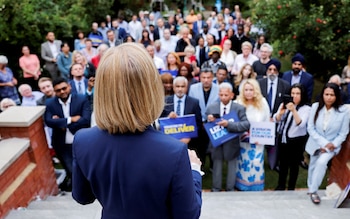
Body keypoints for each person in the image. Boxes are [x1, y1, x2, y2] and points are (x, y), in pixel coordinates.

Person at [72, 43, 202, 218]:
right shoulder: (173, 151)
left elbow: (82, 196)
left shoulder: (83, 140)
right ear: (150, 90)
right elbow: (188, 215)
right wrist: (194, 170)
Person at [306, 83, 349, 204]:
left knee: (321, 162)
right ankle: (311, 188)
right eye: (326, 94)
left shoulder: (343, 111)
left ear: (336, 96)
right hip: (316, 143)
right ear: (322, 95)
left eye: (332, 95)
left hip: (332, 145)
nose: (329, 97)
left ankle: (313, 191)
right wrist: (323, 143)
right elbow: (310, 128)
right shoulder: (315, 107)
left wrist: (331, 145)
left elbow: (343, 133)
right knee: (313, 165)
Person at [45, 77, 91, 191]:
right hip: (61, 143)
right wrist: (70, 120)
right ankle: (81, 190)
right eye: (58, 90)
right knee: (71, 169)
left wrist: (60, 123)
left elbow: (86, 119)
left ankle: (90, 187)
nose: (62, 92)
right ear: (55, 92)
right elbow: (49, 121)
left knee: (85, 166)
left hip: (80, 140)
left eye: (64, 88)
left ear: (69, 86)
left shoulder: (81, 99)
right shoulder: (50, 103)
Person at [206, 82, 250, 191]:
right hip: (216, 142)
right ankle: (216, 188)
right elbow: (205, 124)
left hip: (232, 142)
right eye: (221, 95)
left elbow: (246, 124)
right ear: (218, 95)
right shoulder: (211, 107)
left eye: (226, 95)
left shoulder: (239, 108)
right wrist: (209, 120)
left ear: (232, 95)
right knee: (217, 166)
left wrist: (229, 125)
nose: (223, 97)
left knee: (232, 166)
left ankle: (230, 189)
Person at [274, 83, 311, 191]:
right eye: (293, 93)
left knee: (294, 165)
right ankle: (281, 185)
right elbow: (276, 119)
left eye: (297, 93)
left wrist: (294, 110)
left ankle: (291, 187)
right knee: (283, 163)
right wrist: (281, 113)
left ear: (302, 95)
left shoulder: (306, 108)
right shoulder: (285, 104)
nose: (295, 96)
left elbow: (301, 123)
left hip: (296, 140)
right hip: (283, 137)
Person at [235, 79, 270, 191]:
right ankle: (242, 185)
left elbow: (267, 120)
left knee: (256, 162)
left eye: (251, 89)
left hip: (258, 139)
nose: (248, 92)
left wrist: (264, 136)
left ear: (256, 90)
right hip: (243, 140)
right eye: (246, 90)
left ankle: (256, 186)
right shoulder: (238, 103)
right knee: (243, 163)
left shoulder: (263, 102)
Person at [258, 58, 290, 170]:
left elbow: (285, 103)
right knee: (260, 142)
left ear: (278, 71)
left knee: (275, 143)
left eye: (274, 70)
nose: (272, 72)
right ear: (266, 71)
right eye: (270, 69)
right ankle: (258, 161)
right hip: (261, 119)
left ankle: (274, 163)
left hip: (277, 119)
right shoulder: (259, 83)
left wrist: (276, 117)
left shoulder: (285, 85)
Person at [161, 76, 202, 148]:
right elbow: (159, 121)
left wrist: (189, 136)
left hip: (189, 141)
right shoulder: (165, 101)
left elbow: (198, 123)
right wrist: (168, 118)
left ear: (186, 88)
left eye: (182, 86)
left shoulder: (194, 102)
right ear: (173, 87)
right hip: (169, 139)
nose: (180, 89)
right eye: (177, 86)